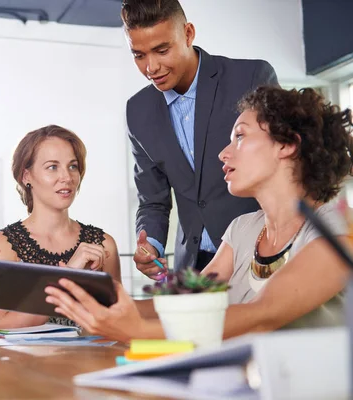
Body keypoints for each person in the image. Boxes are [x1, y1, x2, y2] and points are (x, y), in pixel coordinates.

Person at [45, 86, 353, 342]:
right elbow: (186, 302)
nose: (224, 153)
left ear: (286, 145)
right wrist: (102, 300)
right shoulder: (243, 229)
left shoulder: (338, 230)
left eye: (240, 136)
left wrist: (139, 331)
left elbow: (264, 315)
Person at [122, 0, 279, 276]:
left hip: (257, 253)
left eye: (161, 50)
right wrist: (151, 244)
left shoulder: (251, 77)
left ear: (188, 34)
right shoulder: (137, 111)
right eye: (139, 55)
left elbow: (282, 168)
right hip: (192, 267)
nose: (151, 67)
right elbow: (152, 200)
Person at [0, 125, 121, 329]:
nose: (67, 177)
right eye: (52, 167)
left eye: (73, 166)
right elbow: (4, 325)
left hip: (93, 360)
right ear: (26, 176)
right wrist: (70, 275)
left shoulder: (103, 244)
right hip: (25, 361)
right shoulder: (3, 246)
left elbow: (119, 320)